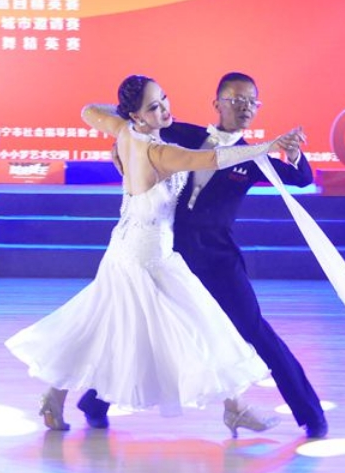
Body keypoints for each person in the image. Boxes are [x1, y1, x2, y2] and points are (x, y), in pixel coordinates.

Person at [6, 74, 305, 437]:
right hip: (150, 257)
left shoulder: (125, 131)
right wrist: (266, 146)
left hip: (125, 247)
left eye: (164, 99)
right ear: (138, 115)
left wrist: (125, 119)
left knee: (102, 325)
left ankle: (55, 396)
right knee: (199, 322)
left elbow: (88, 111)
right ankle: (235, 408)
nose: (164, 109)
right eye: (153, 106)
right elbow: (213, 158)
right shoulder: (159, 152)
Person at [77, 72, 329, 439]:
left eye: (252, 102)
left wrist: (293, 153)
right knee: (144, 332)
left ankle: (310, 413)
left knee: (256, 331)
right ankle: (95, 402)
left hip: (217, 260)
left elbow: (301, 179)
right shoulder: (182, 133)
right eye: (236, 100)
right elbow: (126, 125)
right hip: (170, 255)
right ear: (218, 104)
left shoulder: (253, 158)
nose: (245, 108)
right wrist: (124, 132)